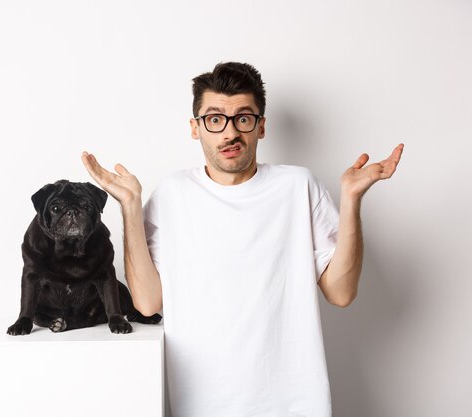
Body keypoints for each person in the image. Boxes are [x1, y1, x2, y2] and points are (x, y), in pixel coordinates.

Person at [81, 62, 403, 417]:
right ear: (195, 128)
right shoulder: (173, 193)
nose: (230, 132)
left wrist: (352, 200)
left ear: (261, 126)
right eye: (215, 119)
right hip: (203, 404)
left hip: (297, 403)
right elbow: (146, 302)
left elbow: (341, 293)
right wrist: (129, 205)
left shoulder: (298, 186)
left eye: (243, 118)